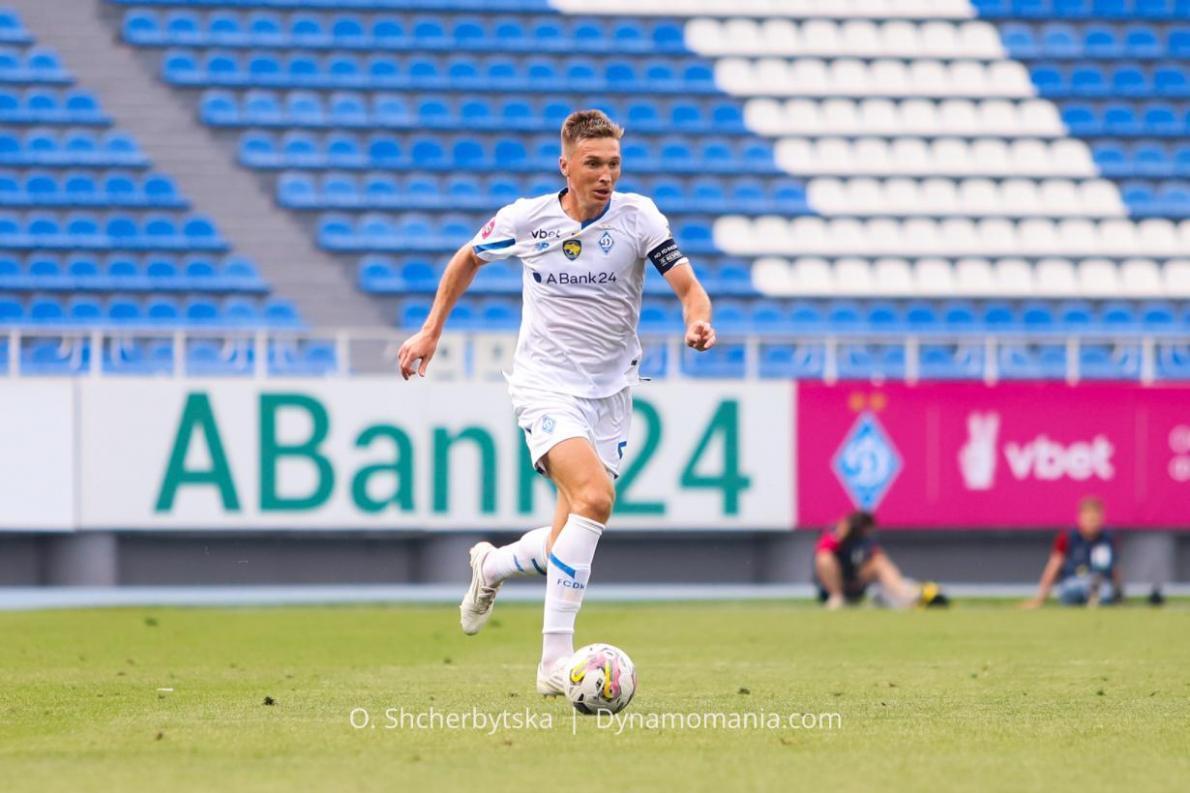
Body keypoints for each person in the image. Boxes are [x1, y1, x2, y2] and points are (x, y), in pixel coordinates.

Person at [397, 110, 716, 695]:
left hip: (611, 393)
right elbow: (467, 258)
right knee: (595, 498)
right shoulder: (528, 219)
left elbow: (689, 287)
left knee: (565, 539)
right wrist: (431, 331)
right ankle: (553, 662)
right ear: (564, 165)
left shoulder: (639, 218)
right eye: (593, 163)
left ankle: (492, 565)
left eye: (613, 163)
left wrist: (697, 320)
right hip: (544, 385)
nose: (605, 175)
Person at [813, 511, 949, 609]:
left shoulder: (864, 539)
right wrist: (840, 534)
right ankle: (837, 598)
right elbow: (822, 550)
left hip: (855, 584)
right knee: (824, 557)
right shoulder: (834, 533)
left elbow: (878, 557)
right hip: (830, 590)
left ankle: (905, 594)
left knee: (879, 561)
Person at [1023, 496, 1122, 608]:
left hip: (1100, 585)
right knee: (1072, 590)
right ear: (1080, 517)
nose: (1092, 523)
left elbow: (1114, 568)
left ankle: (1093, 601)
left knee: (1105, 592)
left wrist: (1119, 594)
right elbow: (1054, 566)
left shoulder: (1108, 539)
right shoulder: (1067, 537)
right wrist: (1039, 599)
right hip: (1073, 583)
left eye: (1095, 519)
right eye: (1089, 519)